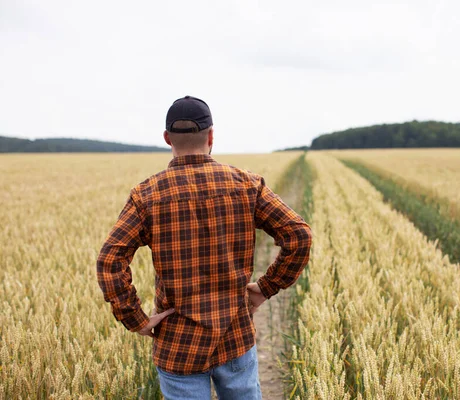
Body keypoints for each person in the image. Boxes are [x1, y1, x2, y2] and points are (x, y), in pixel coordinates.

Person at [96, 95, 312, 399]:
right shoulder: (247, 185)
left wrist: (136, 320)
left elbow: (109, 261)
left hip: (177, 345)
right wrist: (266, 287)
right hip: (235, 337)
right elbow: (299, 235)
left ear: (167, 138)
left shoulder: (146, 195)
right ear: (211, 136)